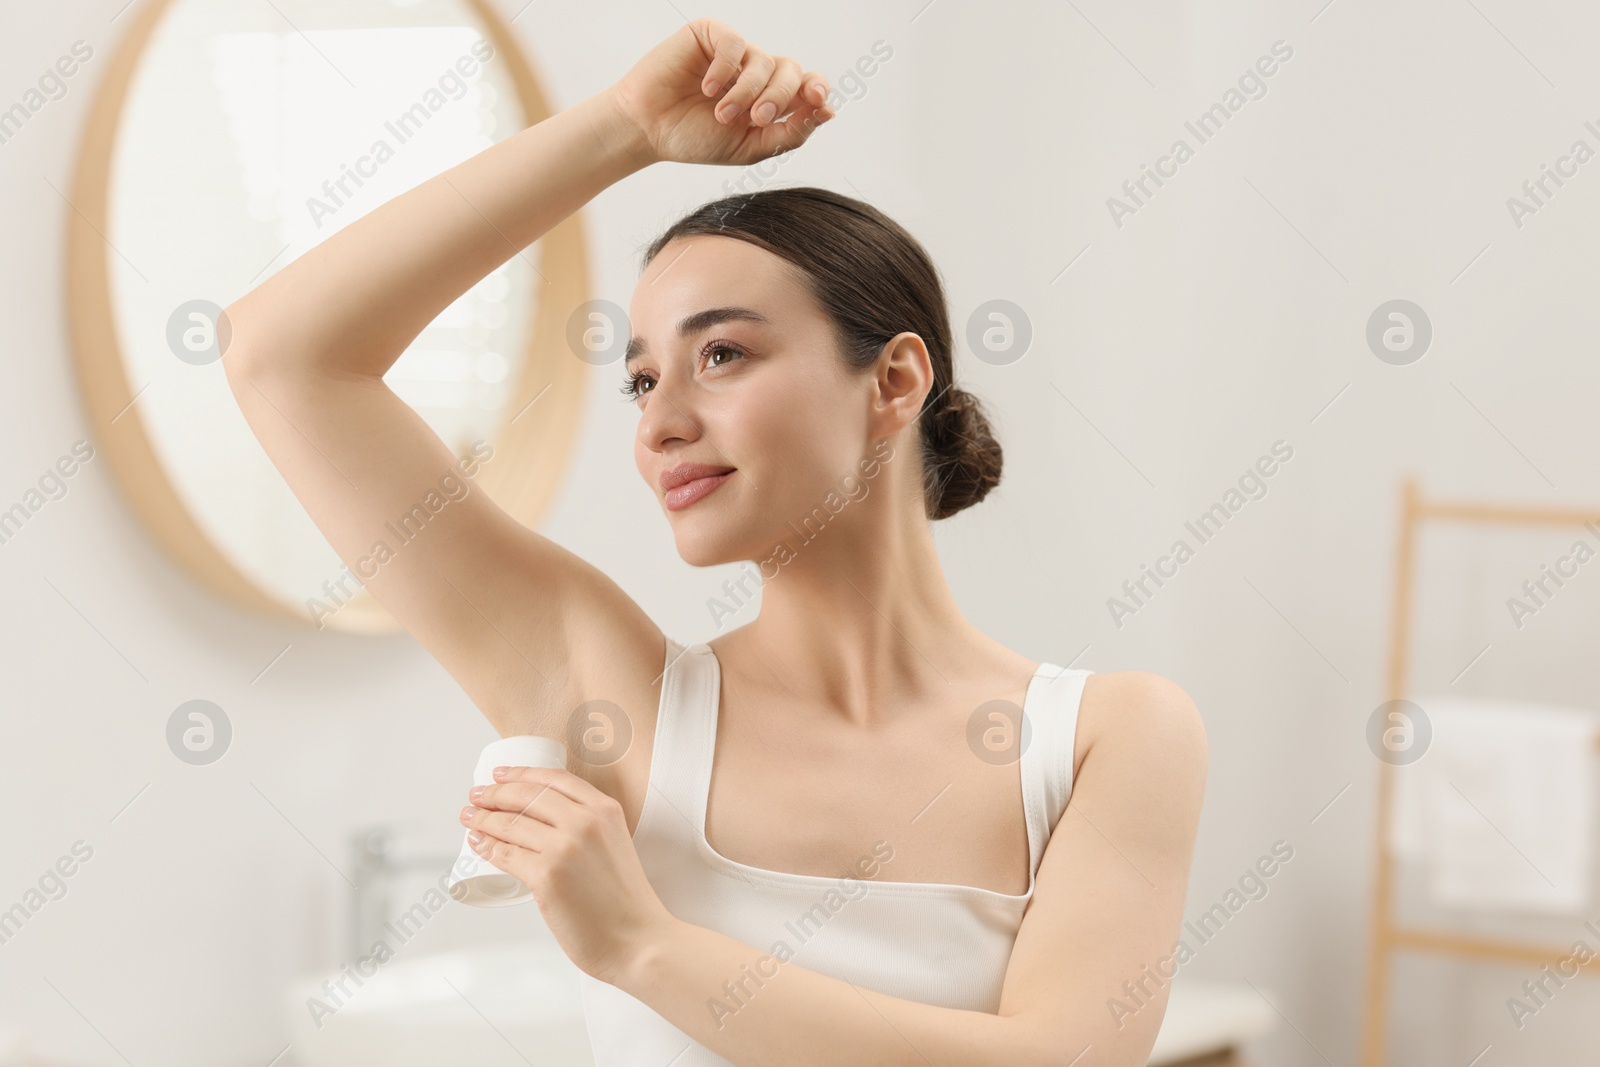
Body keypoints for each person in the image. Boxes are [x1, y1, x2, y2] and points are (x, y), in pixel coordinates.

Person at [222, 17, 1207, 1065]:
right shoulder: (609, 691)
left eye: (722, 353)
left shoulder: (1107, 735)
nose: (658, 423)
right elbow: (286, 355)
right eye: (642, 379)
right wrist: (623, 127)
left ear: (894, 380)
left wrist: (644, 946)